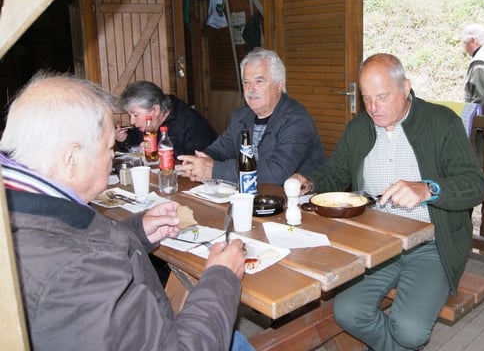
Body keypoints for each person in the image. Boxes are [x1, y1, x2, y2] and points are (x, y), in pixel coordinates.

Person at [0, 73, 253, 351]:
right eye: (110, 147)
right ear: (71, 159)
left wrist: (136, 232)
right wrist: (222, 277)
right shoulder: (74, 273)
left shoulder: (26, 213)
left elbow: (76, 242)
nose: (112, 156)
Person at [292, 54, 484, 350]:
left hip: (432, 244)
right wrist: (310, 182)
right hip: (375, 243)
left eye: (382, 97)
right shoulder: (359, 128)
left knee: (410, 331)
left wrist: (428, 189)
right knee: (348, 311)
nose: (373, 107)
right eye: (366, 98)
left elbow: (476, 184)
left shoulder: (441, 122)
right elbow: (336, 171)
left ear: (405, 88)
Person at [176, 48, 326, 185]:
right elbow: (219, 151)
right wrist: (198, 162)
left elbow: (276, 173)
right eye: (246, 82)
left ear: (279, 85)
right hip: (251, 194)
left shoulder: (297, 120)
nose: (250, 89)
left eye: (259, 81)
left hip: (294, 200)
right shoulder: (241, 117)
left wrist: (215, 170)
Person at [116, 80, 217, 157]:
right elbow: (137, 138)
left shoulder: (192, 126)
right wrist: (124, 138)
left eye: (135, 115)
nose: (132, 122)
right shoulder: (151, 121)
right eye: (130, 115)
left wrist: (160, 151)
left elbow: (199, 163)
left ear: (155, 110)